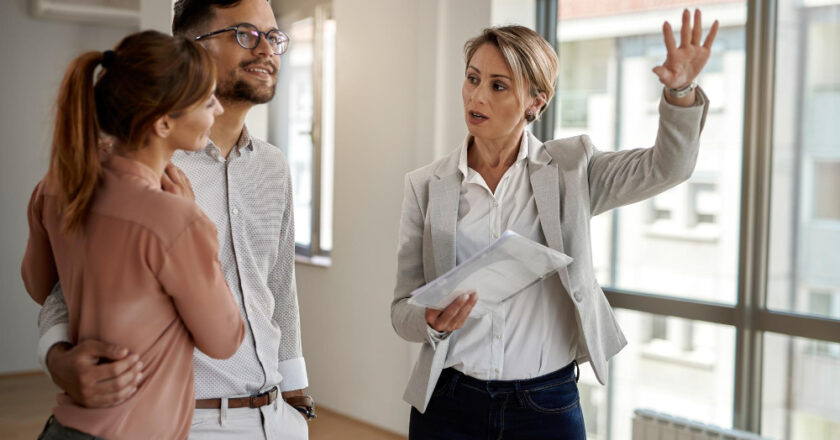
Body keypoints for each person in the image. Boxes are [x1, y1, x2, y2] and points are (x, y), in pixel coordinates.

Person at [391, 9, 718, 440]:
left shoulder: (571, 169)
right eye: (472, 79)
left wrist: (680, 92)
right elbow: (401, 311)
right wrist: (430, 320)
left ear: (536, 102)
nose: (477, 97)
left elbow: (666, 168)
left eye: (498, 86)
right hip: (450, 403)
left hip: (544, 405)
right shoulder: (426, 186)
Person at [35, 1, 314, 438]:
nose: (267, 50)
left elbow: (277, 282)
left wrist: (295, 392)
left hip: (274, 414)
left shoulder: (274, 166)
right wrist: (56, 354)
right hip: (179, 419)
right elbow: (64, 281)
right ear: (190, 49)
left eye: (274, 37)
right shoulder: (135, 166)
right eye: (245, 34)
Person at [21, 30, 245, 439]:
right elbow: (225, 339)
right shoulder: (177, 218)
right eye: (206, 99)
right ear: (162, 122)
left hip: (65, 428)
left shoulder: (54, 186)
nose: (217, 110)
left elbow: (39, 287)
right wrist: (196, 218)